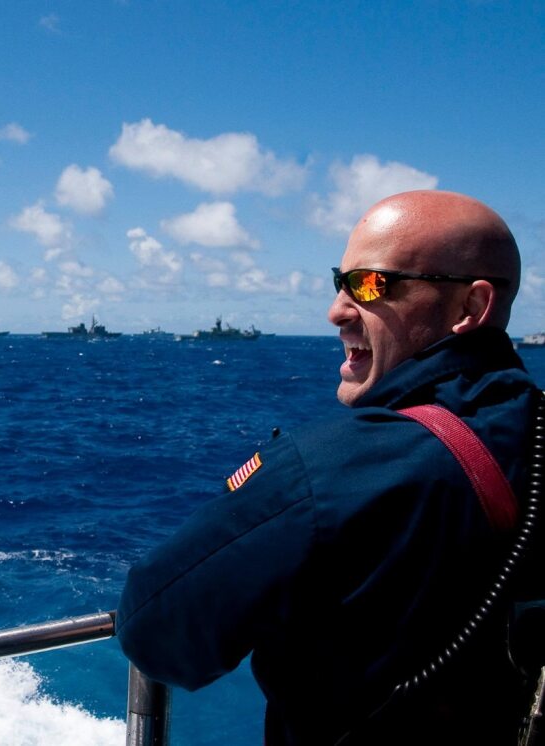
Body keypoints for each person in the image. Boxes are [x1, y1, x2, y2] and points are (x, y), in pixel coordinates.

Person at [116, 190, 539, 744]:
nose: (337, 309)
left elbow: (156, 631)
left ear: (470, 307)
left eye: (370, 285)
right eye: (341, 281)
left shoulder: (327, 471)